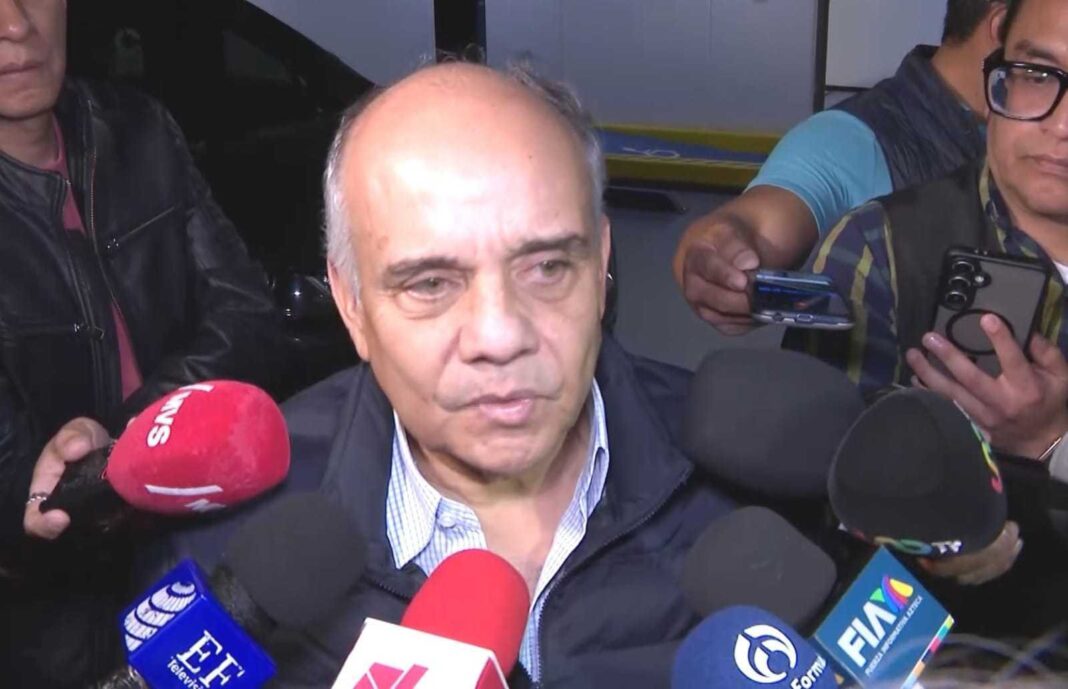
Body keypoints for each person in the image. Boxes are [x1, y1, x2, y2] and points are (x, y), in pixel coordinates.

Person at [0, 0, 287, 685]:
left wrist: (126, 445)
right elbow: (18, 484)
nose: (14, 24)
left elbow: (251, 321)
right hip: (57, 624)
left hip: (205, 551)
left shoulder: (137, 129)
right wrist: (88, 476)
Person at [794, 0, 1068, 637]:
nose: (1061, 125)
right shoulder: (878, 248)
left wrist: (1050, 444)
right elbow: (810, 519)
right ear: (997, 67)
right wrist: (925, 535)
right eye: (1037, 75)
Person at [672, 0, 1006, 334]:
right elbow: (754, 225)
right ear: (1003, 26)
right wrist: (720, 256)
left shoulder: (1015, 141)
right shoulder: (853, 139)